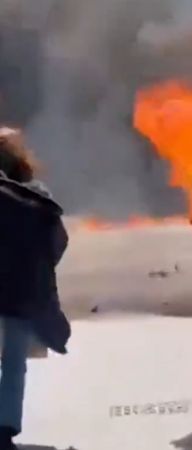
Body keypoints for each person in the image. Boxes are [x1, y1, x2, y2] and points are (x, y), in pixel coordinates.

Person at [0, 127, 71, 449]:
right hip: (20, 293)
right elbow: (57, 242)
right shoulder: (36, 197)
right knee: (14, 363)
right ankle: (5, 430)